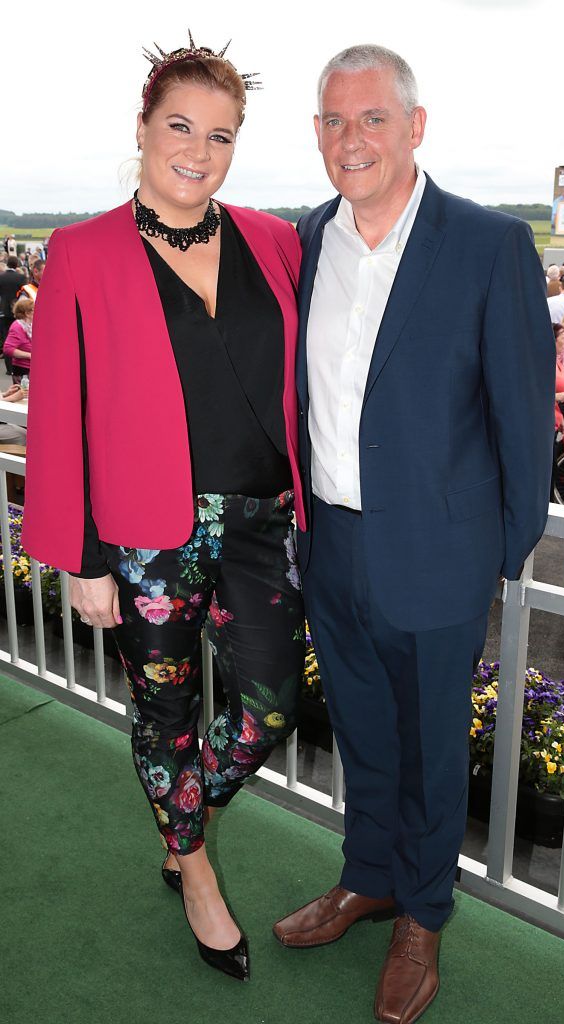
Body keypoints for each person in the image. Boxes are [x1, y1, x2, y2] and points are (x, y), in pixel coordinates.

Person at [273, 44, 554, 1024]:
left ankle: (422, 914)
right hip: (335, 548)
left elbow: (526, 424)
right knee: (364, 731)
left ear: (414, 126)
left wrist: (496, 556)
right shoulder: (306, 240)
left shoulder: (488, 245)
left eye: (372, 119)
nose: (352, 139)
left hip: (441, 558)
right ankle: (372, 878)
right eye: (334, 121)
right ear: (317, 134)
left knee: (436, 748)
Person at [21, 33, 307, 984]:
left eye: (221, 135)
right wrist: (83, 558)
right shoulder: (81, 251)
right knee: (166, 714)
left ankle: (185, 819)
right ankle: (194, 871)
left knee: (271, 704)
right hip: (141, 534)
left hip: (263, 518)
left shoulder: (272, 240)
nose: (199, 149)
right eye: (180, 126)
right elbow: (59, 414)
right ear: (142, 129)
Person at [3, 296, 33, 382]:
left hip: (31, 368)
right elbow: (8, 349)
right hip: (23, 370)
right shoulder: (17, 326)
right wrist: (30, 355)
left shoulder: (29, 325)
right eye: (34, 310)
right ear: (27, 313)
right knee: (24, 395)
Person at [0, 256, 25, 343]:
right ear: (16, 265)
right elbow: (24, 293)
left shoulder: (1, 277)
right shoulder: (21, 277)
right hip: (17, 308)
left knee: (6, 334)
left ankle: (7, 354)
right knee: (17, 333)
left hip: (3, 309)